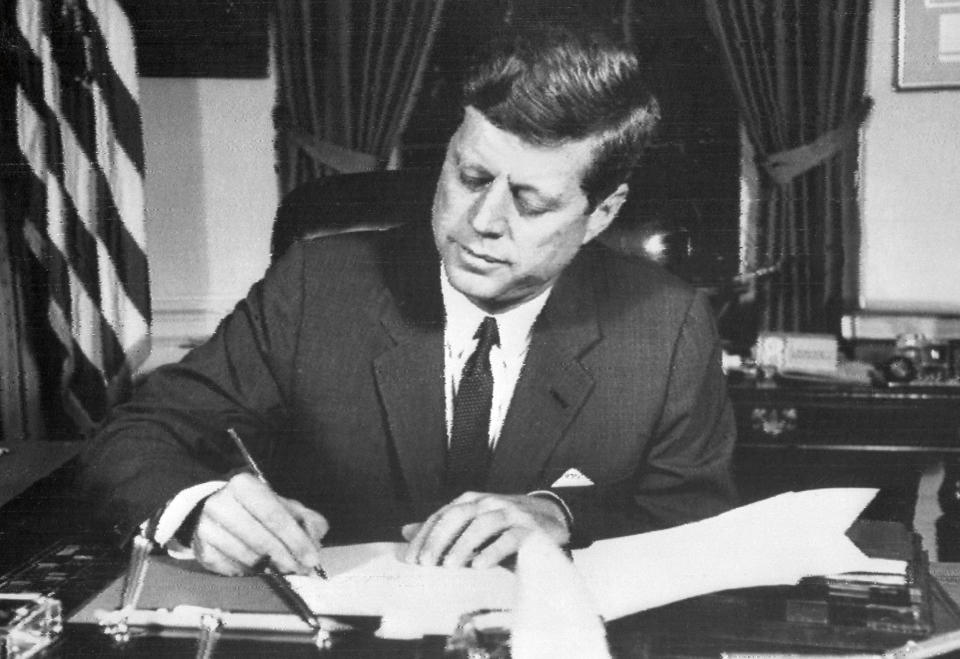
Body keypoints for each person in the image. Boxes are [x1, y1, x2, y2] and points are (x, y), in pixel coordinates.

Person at [78, 24, 738, 577]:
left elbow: (698, 527)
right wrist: (197, 505)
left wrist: (562, 514)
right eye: (470, 175)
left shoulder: (666, 327)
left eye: (530, 201)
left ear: (601, 215)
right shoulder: (319, 285)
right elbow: (133, 436)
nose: (482, 220)